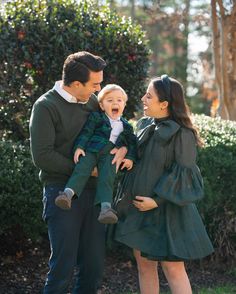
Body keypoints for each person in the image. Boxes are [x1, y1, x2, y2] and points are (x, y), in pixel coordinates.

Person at [29, 51, 127, 294]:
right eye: (95, 84)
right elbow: (42, 156)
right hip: (62, 192)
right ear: (75, 84)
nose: (99, 89)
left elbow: (116, 130)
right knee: (62, 267)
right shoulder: (45, 106)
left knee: (93, 269)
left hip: (94, 196)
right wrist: (86, 171)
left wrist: (124, 148)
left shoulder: (94, 102)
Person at [114, 75, 214, 294]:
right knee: (144, 265)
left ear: (165, 104)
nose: (143, 99)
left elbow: (186, 177)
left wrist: (157, 201)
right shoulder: (144, 125)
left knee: (173, 268)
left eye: (149, 96)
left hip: (168, 210)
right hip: (139, 208)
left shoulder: (183, 134)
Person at [55, 84, 137, 224]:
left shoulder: (127, 127)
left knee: (107, 178)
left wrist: (129, 158)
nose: (115, 103)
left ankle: (106, 209)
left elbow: (132, 145)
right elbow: (86, 132)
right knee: (82, 168)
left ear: (124, 104)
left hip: (110, 155)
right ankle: (67, 194)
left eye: (119, 100)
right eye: (110, 100)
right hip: (93, 149)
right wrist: (79, 147)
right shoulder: (96, 117)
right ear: (102, 105)